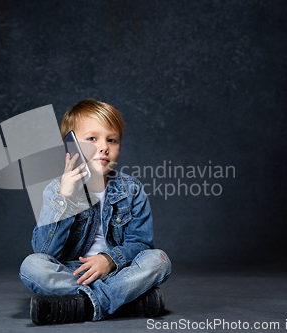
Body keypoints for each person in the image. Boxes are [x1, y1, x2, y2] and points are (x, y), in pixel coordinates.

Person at [19, 99, 172, 325]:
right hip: (73, 272)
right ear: (70, 146)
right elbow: (45, 250)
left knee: (159, 260)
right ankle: (122, 300)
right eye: (92, 139)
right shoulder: (56, 190)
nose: (103, 147)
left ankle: (80, 305)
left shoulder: (131, 189)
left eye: (112, 140)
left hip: (118, 271)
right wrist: (66, 198)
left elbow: (141, 244)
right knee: (31, 266)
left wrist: (109, 260)